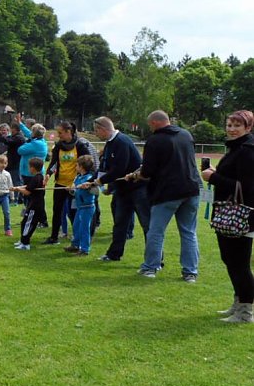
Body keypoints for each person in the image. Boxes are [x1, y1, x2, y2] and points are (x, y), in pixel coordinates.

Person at [128, 110, 201, 281]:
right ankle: (190, 272)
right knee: (189, 232)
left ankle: (151, 267)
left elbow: (147, 172)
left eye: (149, 125)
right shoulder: (185, 134)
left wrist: (136, 175)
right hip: (191, 188)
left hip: (167, 192)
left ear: (154, 123)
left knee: (156, 231)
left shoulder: (155, 140)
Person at [201, 110, 254, 323]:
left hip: (241, 216)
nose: (231, 129)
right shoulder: (236, 148)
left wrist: (214, 177)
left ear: (248, 128)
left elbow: (247, 188)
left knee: (239, 262)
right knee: (230, 260)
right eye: (229, 124)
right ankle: (239, 302)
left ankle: (246, 311)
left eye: (236, 126)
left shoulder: (247, 151)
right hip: (227, 213)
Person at [92, 116, 151, 262]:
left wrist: (100, 181)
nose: (96, 134)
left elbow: (120, 169)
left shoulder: (121, 141)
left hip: (138, 189)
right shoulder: (109, 144)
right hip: (122, 190)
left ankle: (155, 259)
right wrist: (95, 182)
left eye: (96, 130)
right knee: (120, 223)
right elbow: (105, 167)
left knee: (147, 225)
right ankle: (114, 254)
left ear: (103, 129)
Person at [42, 121, 93, 245]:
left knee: (74, 212)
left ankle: (79, 238)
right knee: (57, 210)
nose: (58, 135)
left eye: (60, 133)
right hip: (60, 183)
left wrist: (80, 181)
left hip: (75, 186)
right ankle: (54, 237)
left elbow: (87, 164)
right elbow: (54, 162)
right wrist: (49, 174)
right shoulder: (59, 145)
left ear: (68, 132)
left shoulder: (80, 145)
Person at [66, 155, 100, 256]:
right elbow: (76, 192)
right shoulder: (78, 177)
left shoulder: (89, 178)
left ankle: (85, 249)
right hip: (79, 207)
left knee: (84, 228)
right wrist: (71, 190)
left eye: (77, 165)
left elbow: (96, 192)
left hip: (88, 207)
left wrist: (88, 186)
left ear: (81, 167)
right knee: (76, 226)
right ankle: (75, 245)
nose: (75, 167)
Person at [12, 157, 47, 251]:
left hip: (35, 206)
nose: (28, 168)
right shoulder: (38, 177)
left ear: (33, 168)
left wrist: (18, 189)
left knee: (28, 224)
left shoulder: (37, 178)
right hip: (33, 205)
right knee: (24, 222)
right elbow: (29, 187)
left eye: (29, 167)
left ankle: (25, 243)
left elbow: (27, 192)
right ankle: (22, 240)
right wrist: (17, 187)